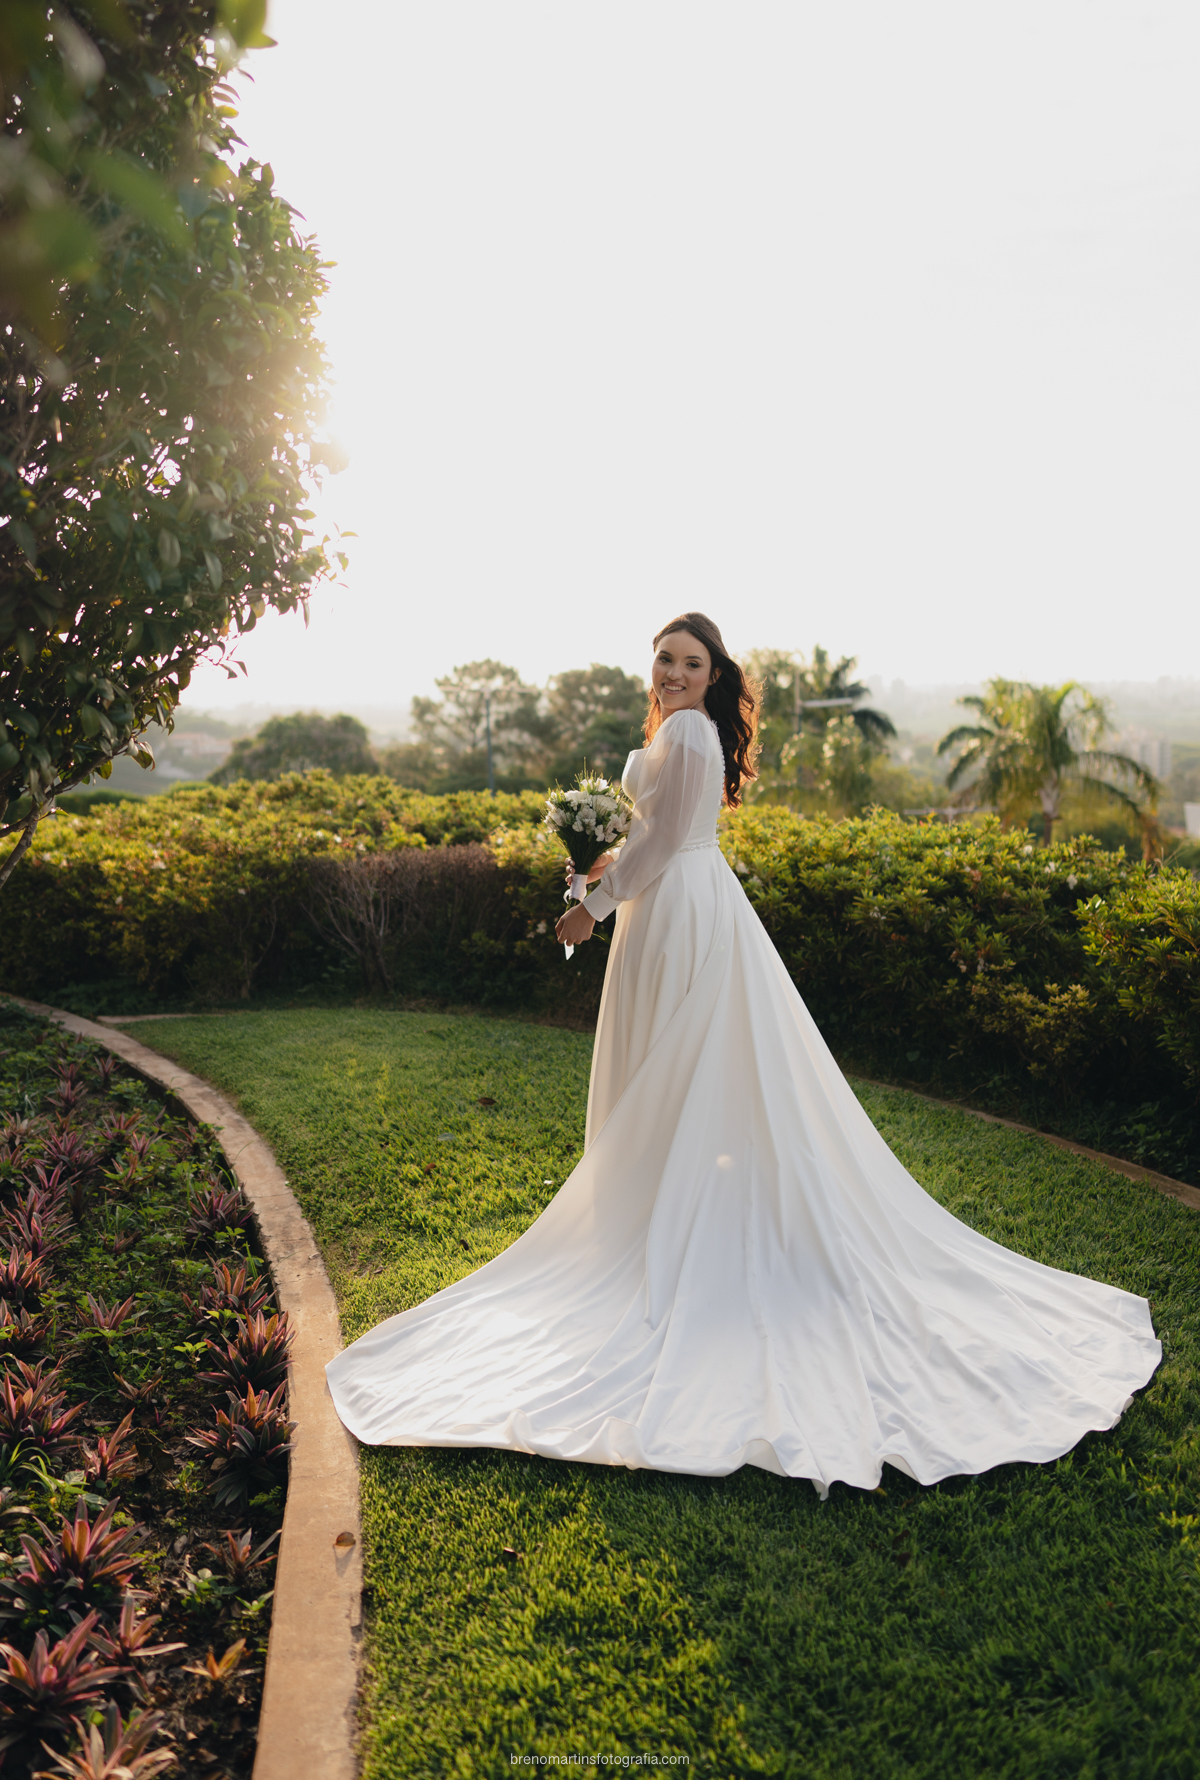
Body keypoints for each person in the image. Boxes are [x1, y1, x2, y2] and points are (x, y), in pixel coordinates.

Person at [326, 612, 1159, 1496]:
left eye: (692, 663)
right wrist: (592, 867)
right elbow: (644, 834)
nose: (675, 673)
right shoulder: (668, 731)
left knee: (684, 1076)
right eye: (665, 659)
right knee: (676, 1077)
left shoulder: (687, 730)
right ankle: (656, 1221)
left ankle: (675, 1234)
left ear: (715, 676)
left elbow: (659, 843)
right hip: (667, 907)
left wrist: (592, 909)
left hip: (680, 912)